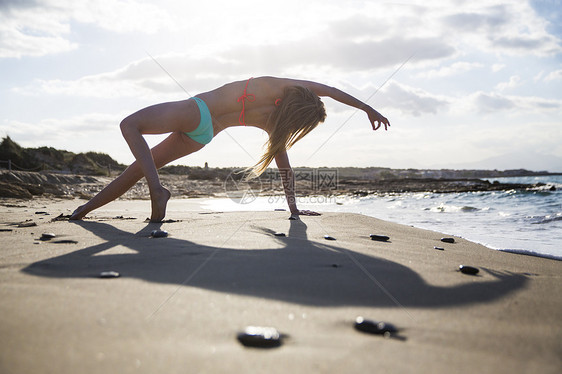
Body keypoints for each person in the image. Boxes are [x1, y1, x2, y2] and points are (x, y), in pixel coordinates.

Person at [69, 76, 390, 222]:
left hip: (198, 111)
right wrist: (293, 209)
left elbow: (331, 91)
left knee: (130, 126)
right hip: (203, 136)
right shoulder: (273, 124)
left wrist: (367, 108)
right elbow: (285, 170)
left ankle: (156, 190)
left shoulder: (280, 86)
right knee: (139, 166)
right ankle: (83, 211)